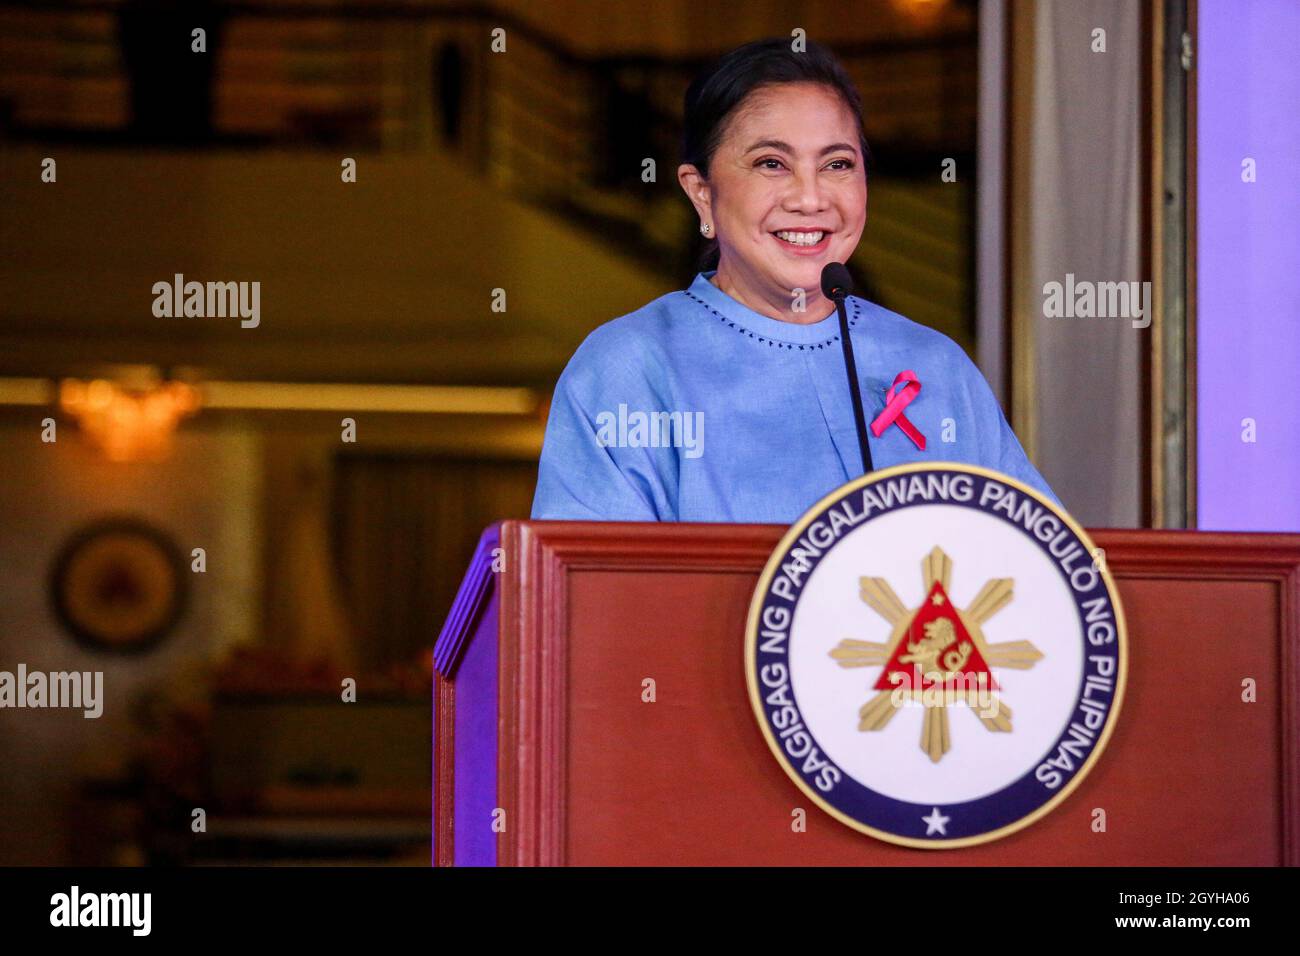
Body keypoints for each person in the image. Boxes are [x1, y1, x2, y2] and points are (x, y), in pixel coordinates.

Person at [532, 38, 1057, 523]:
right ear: (701, 193)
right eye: (771, 163)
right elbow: (590, 600)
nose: (810, 198)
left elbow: (1043, 568)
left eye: (837, 164)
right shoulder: (630, 367)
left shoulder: (936, 368)